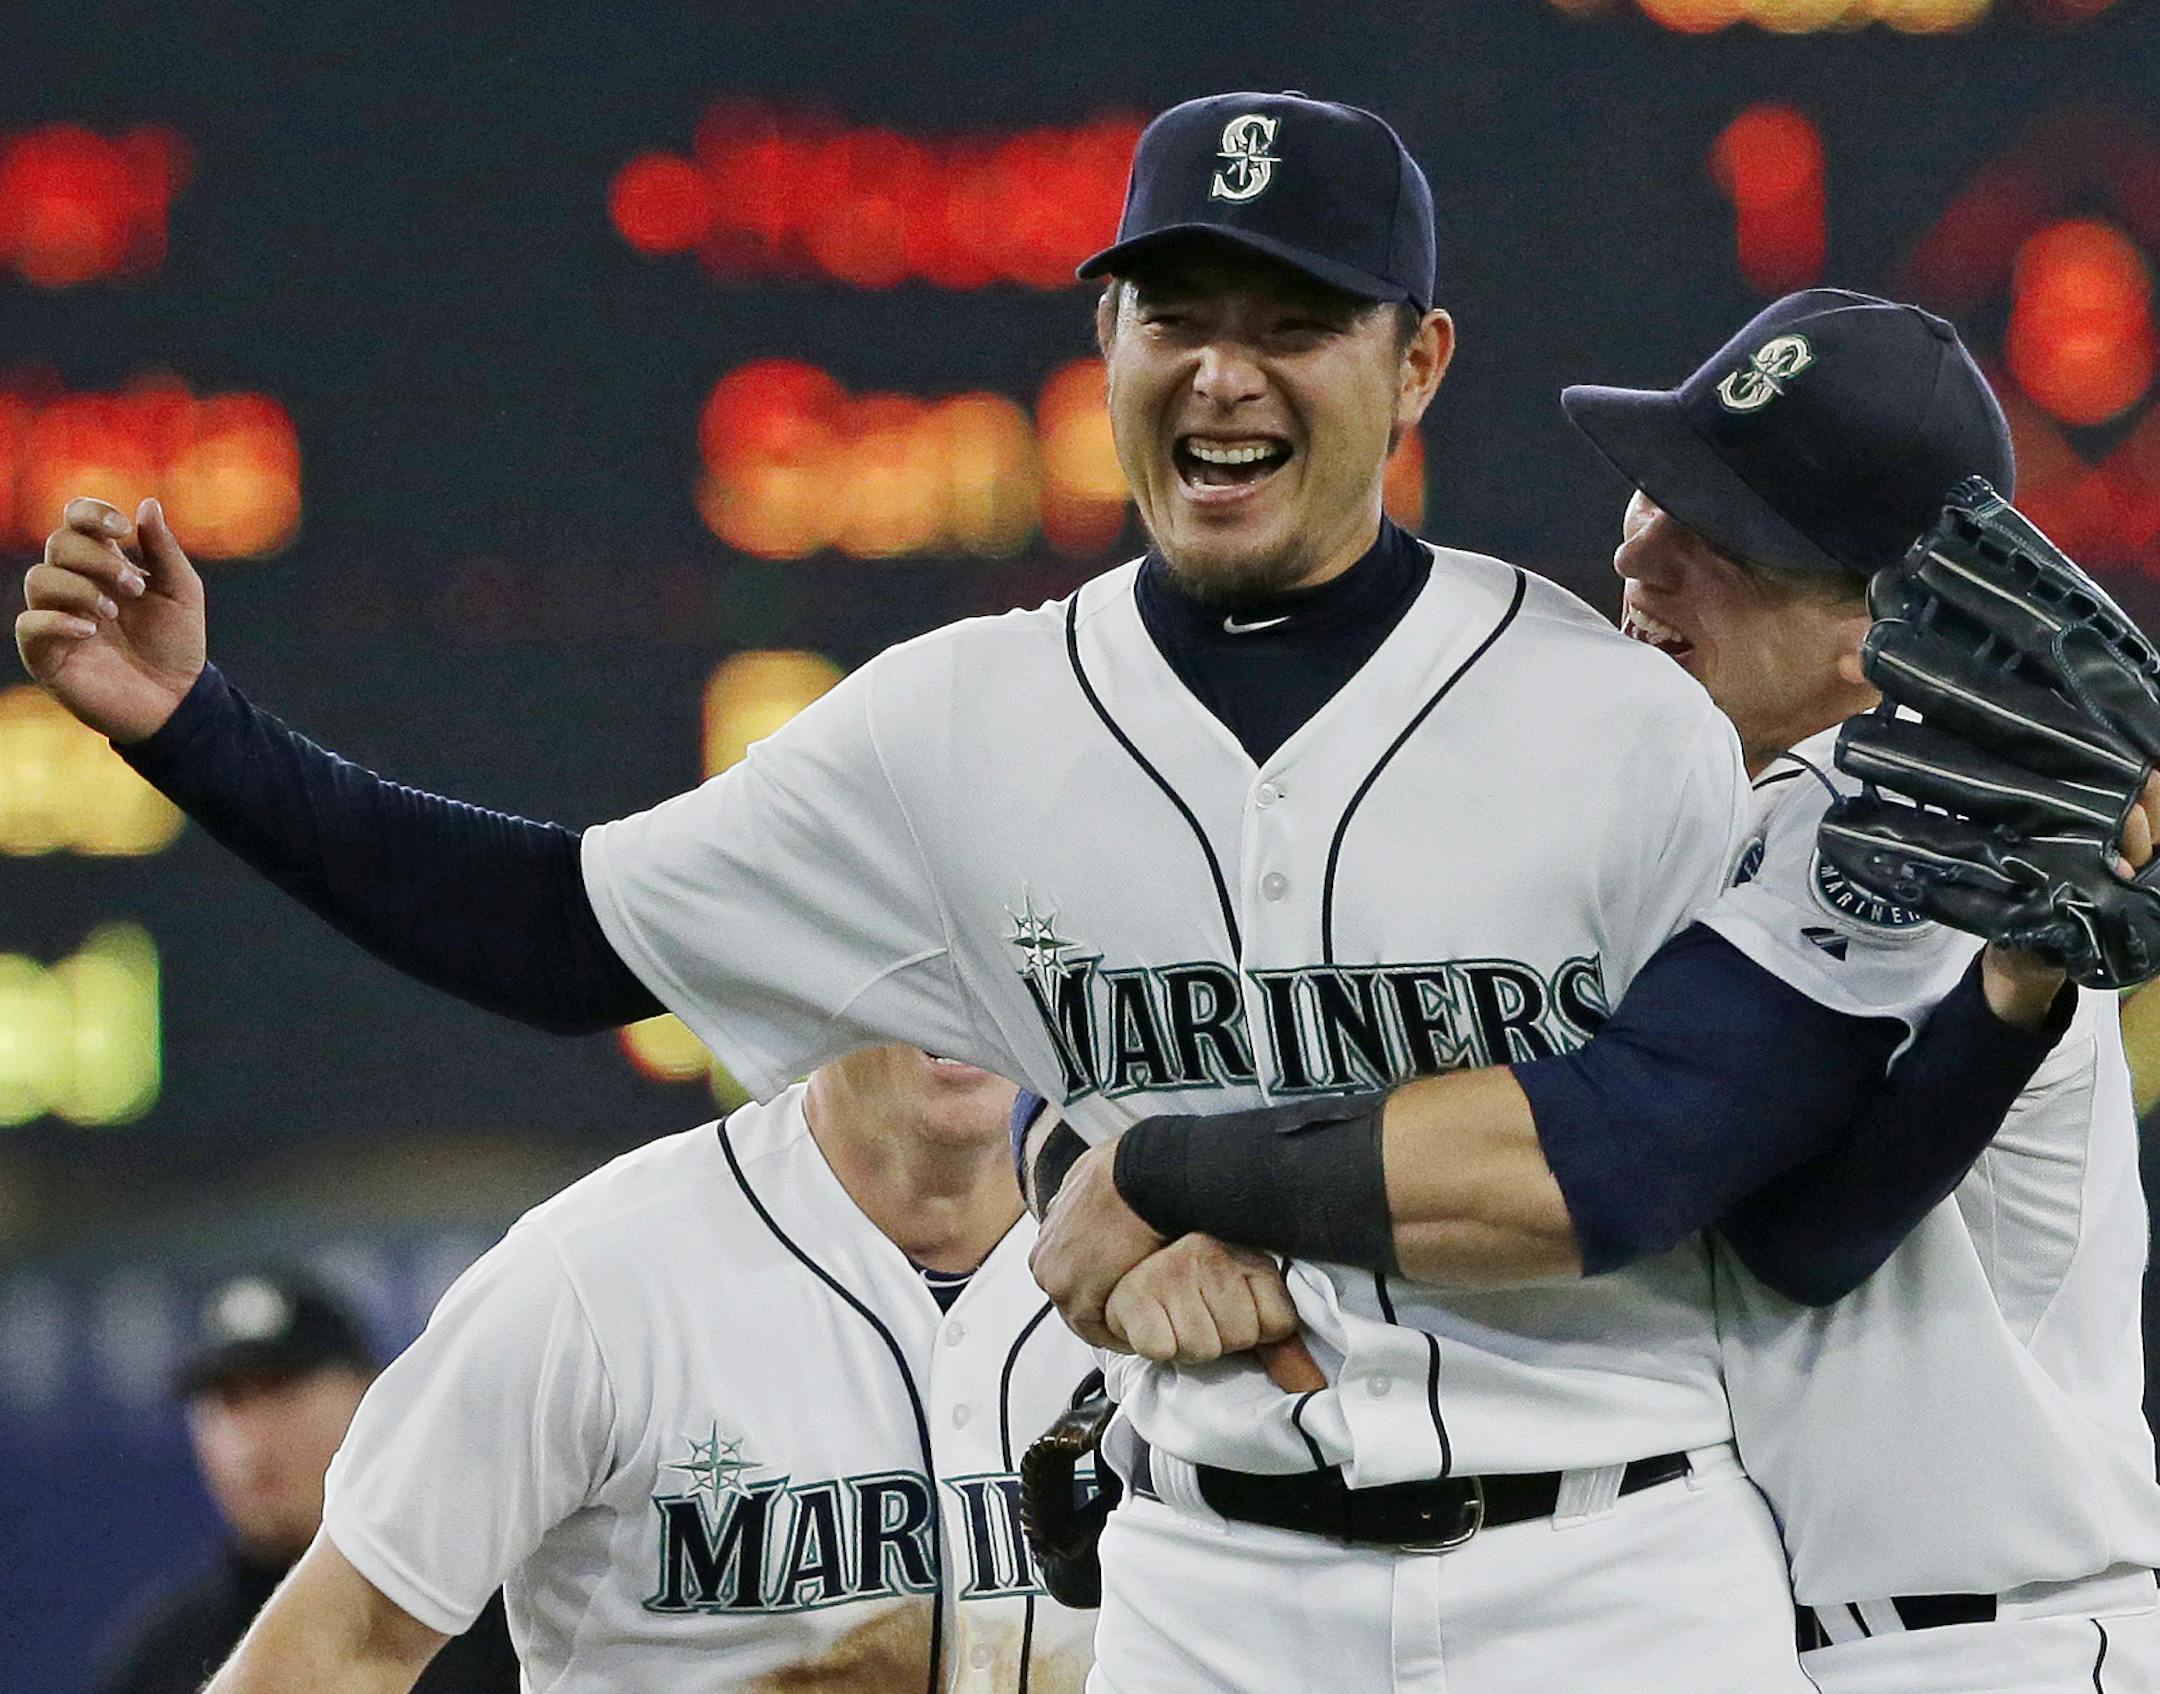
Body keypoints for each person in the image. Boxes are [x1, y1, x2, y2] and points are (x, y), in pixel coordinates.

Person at [15, 90, 2133, 1690]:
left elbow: (1699, 1163)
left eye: (1295, 319)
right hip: (1207, 1583)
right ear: (1105, 341)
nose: (1225, 367)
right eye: (1175, 311)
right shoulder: (957, 729)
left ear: (1416, 369)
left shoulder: (1629, 720)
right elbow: (551, 926)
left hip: (1623, 1574)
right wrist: (199, 733)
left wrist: (1153, 1165)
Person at [1566, 290, 2160, 1690]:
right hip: (1787, 1640)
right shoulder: (1705, 839)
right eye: (1660, 494)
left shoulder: (1955, 828)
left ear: (1884, 635)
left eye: (1721, 535)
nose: (1639, 551)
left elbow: (1810, 1238)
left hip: (1984, 1639)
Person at [201, 1046, 1103, 1694]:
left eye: (981, 925)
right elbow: (332, 1653)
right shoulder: (591, 1278)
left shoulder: (1176, 1259)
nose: (952, 984)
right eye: (912, 931)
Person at [86, 1268, 518, 1694]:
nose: (250, 1442)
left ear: (369, 1396)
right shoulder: (160, 1656)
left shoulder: (497, 1621)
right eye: (228, 1401)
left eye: (280, 1390)